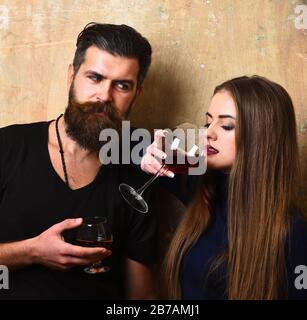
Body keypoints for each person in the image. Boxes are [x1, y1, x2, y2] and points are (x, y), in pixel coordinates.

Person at [0, 22, 157, 299]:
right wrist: (32, 252)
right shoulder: (8, 147)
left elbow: (141, 298)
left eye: (122, 85)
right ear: (71, 76)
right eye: (94, 78)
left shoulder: (138, 174)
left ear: (136, 94)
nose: (104, 96)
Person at [141, 75, 307, 300]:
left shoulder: (291, 231)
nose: (208, 133)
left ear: (262, 138)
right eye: (208, 122)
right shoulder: (200, 186)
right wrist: (146, 152)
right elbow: (111, 143)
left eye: (226, 125)